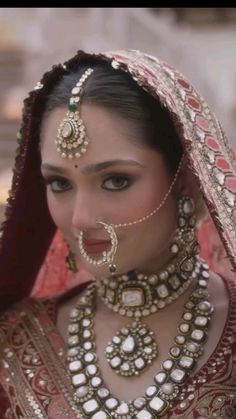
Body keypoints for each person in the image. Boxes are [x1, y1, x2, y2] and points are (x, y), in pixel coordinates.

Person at [0, 49, 235, 419]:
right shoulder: (13, 342)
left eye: (115, 180)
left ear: (187, 179)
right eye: (59, 183)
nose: (80, 218)